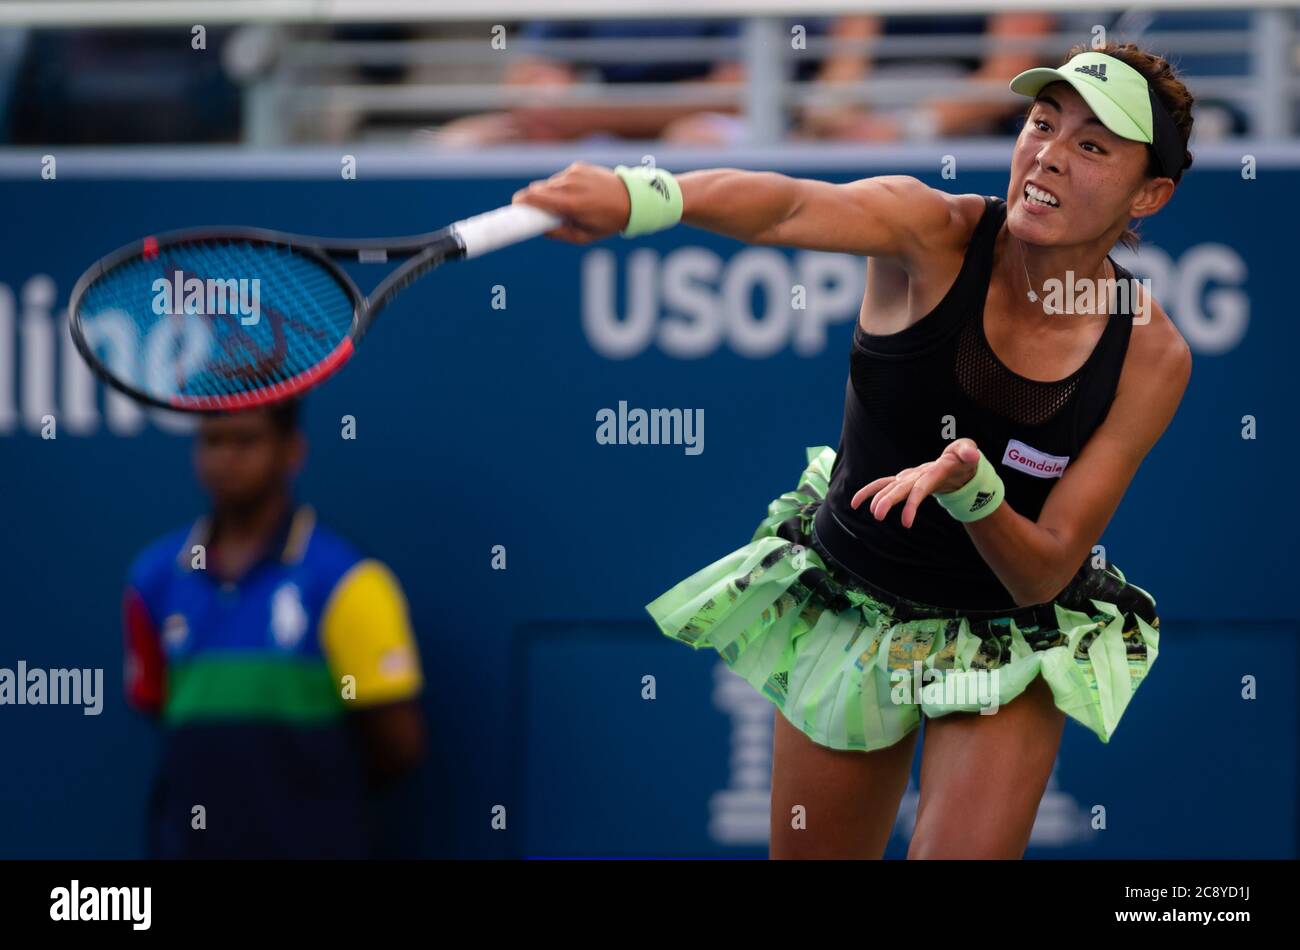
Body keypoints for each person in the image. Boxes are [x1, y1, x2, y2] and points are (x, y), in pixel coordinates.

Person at [513, 41, 1193, 859]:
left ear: (1150, 193)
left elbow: (1043, 568)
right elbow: (784, 207)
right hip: (855, 599)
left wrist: (972, 491)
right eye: (1042, 124)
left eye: (1092, 146)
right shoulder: (929, 231)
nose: (1048, 155)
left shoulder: (1151, 354)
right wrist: (641, 193)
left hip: (1006, 635)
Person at [122, 399, 426, 858]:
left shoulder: (349, 583)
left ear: (291, 452)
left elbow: (397, 747)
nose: (226, 458)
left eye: (246, 440)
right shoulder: (153, 579)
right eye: (212, 441)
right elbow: (159, 707)